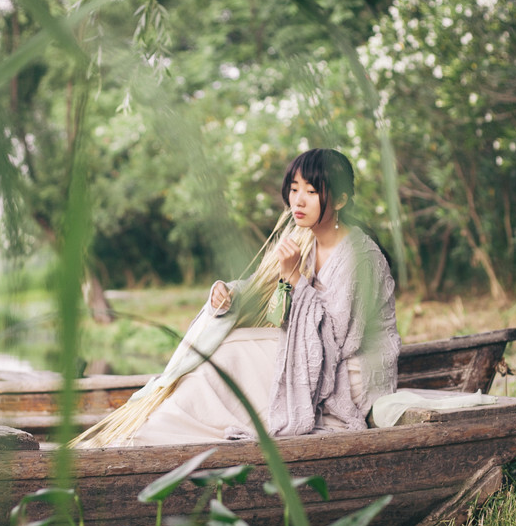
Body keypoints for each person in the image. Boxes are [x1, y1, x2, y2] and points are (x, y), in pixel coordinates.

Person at [72, 148, 400, 448]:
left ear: (340, 200)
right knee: (224, 346)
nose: (298, 201)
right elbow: (278, 316)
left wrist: (294, 277)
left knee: (231, 356)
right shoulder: (306, 241)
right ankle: (155, 429)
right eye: (294, 188)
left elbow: (336, 339)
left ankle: (168, 436)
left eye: (312, 192)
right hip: (310, 352)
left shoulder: (360, 257)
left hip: (350, 375)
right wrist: (230, 295)